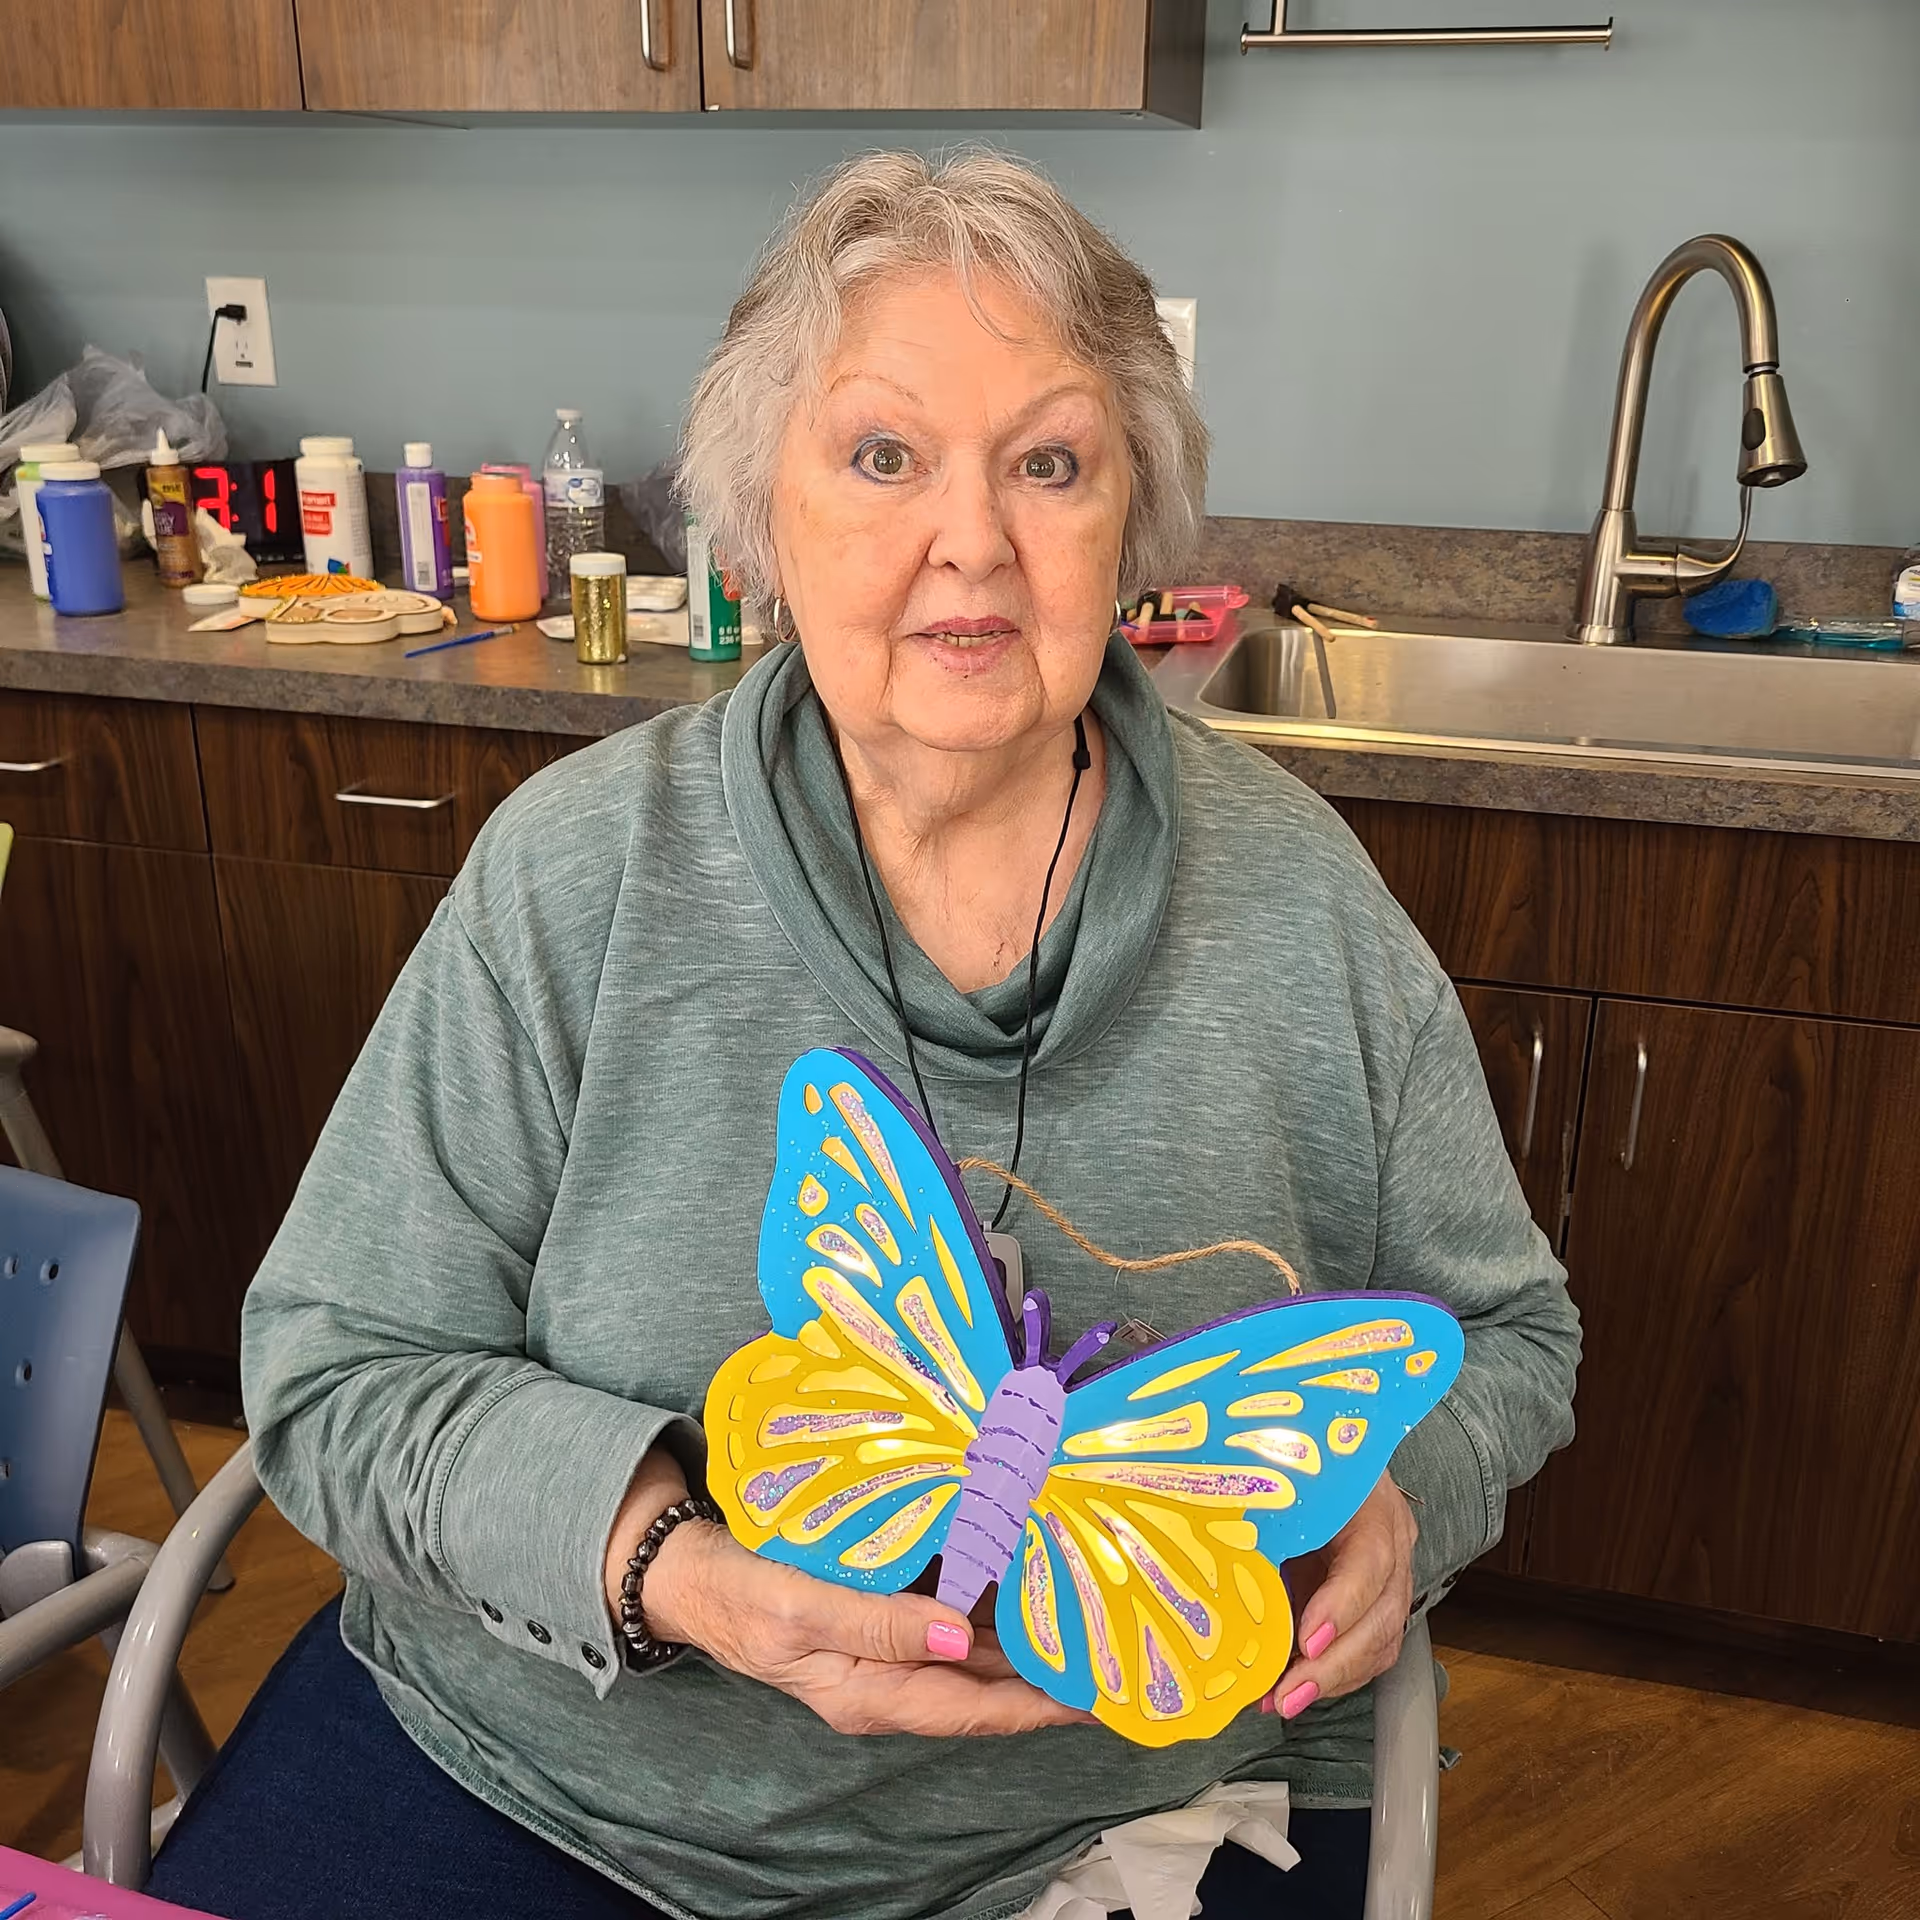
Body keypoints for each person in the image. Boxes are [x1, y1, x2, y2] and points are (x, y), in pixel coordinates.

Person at [173, 151, 1579, 1920]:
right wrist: (670, 1566)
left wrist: (1401, 1500)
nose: (972, 539)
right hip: (537, 1775)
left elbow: (1510, 1337)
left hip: (1106, 1826)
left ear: (1131, 517)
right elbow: (333, 1366)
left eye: (1049, 462)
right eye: (884, 455)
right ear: (763, 512)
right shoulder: (580, 875)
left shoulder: (1302, 901)